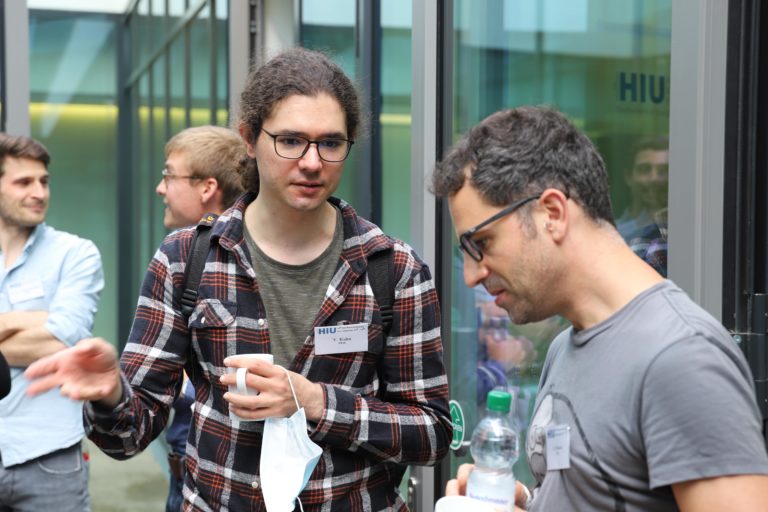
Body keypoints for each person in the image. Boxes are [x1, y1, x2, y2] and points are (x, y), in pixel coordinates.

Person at [26, 47, 452, 511]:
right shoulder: (187, 258)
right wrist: (111, 394)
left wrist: (314, 401)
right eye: (290, 140)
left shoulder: (393, 269)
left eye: (330, 143)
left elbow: (432, 434)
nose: (312, 162)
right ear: (249, 138)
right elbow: (129, 436)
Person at [431, 106, 768, 511]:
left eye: (481, 243)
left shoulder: (682, 357)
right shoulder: (565, 346)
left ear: (552, 213)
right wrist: (523, 503)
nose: (471, 275)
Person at [0, 133, 104, 511]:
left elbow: (63, 342)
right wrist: (38, 319)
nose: (39, 192)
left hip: (49, 456)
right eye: (24, 182)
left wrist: (53, 332)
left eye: (44, 181)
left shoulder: (76, 254)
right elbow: (51, 333)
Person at [156, 125, 247, 512]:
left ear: (208, 187)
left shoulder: (239, 268)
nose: (160, 188)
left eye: (169, 175)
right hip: (187, 475)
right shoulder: (183, 255)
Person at [616, 137, 669, 276]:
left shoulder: (685, 232)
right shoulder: (613, 233)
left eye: (664, 170)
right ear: (628, 177)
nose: (654, 178)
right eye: (645, 169)